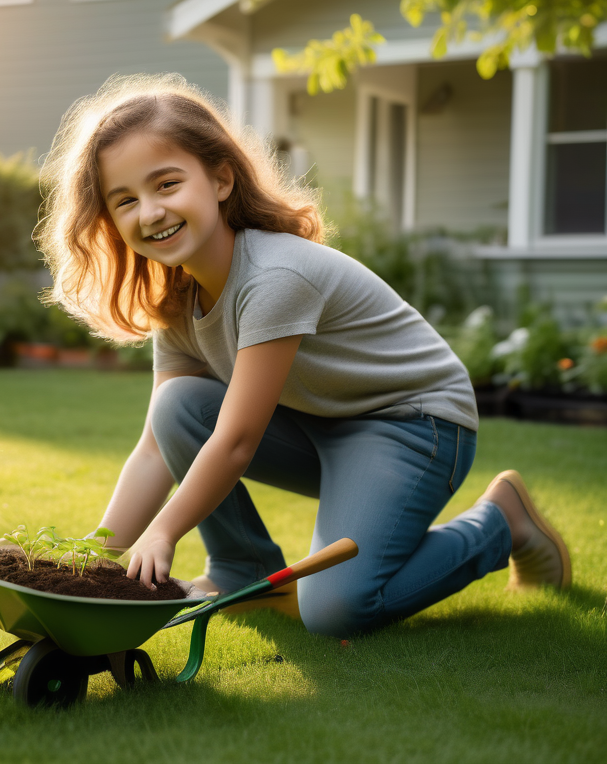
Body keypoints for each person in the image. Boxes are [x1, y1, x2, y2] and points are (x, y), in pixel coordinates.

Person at [34, 73, 571, 636]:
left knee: (337, 609)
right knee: (178, 408)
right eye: (126, 201)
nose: (150, 212)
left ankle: (501, 523)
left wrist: (164, 531)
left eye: (166, 184)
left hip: (415, 426)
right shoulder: (178, 296)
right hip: (323, 425)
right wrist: (88, 560)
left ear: (220, 179)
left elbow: (237, 441)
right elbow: (155, 448)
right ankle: (243, 568)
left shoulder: (273, 277)